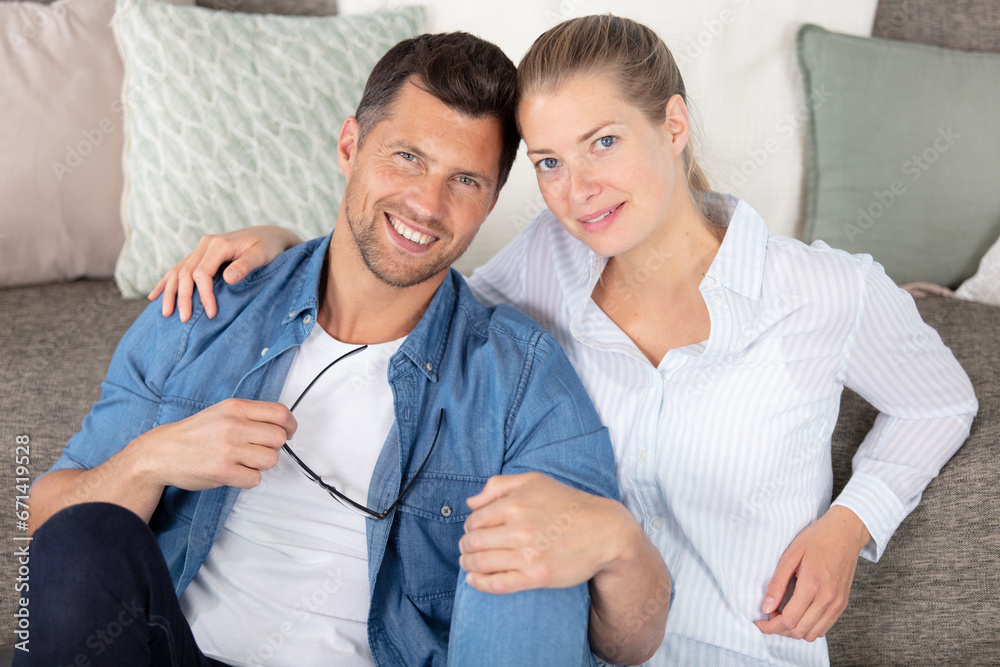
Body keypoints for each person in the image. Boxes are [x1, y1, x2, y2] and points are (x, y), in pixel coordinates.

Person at [159, 14, 980, 666]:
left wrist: (851, 523)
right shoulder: (548, 264)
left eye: (604, 142)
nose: (578, 189)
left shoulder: (826, 291)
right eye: (549, 162)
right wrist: (287, 250)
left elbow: (939, 402)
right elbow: (422, 296)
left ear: (674, 123)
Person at [22, 31, 671, 667]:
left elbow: (622, 635)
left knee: (533, 564)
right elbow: (51, 527)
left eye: (465, 180)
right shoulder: (207, 305)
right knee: (82, 536)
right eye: (407, 157)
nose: (427, 203)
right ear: (349, 145)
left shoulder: (520, 374)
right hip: (178, 651)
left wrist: (617, 542)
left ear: (491, 201)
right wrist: (151, 459)